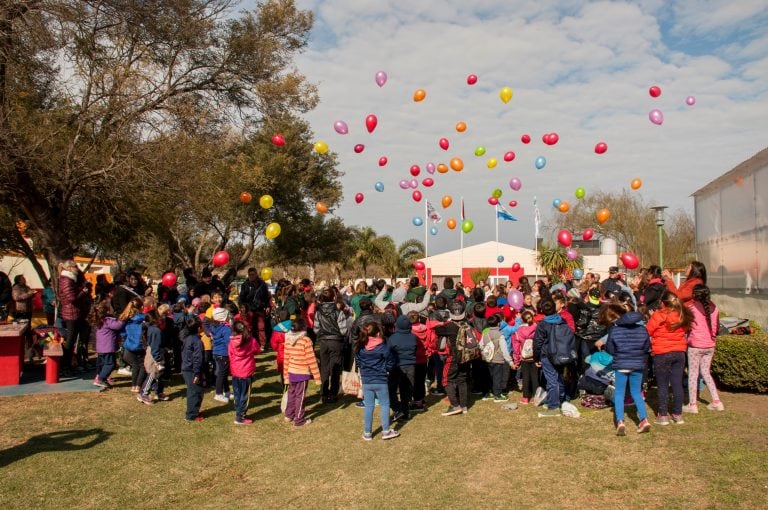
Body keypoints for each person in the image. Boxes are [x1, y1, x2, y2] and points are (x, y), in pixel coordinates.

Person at [601, 304, 652, 435]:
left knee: (619, 394)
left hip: (621, 364)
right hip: (637, 364)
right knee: (636, 393)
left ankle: (620, 421)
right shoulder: (642, 330)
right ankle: (644, 419)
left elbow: (610, 349)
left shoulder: (615, 330)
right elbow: (647, 347)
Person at [646, 291, 693, 425]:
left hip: (662, 352)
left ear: (663, 303)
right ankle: (677, 414)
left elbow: (648, 331)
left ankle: (663, 415)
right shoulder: (682, 315)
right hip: (679, 352)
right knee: (677, 383)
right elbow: (685, 330)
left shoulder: (659, 315)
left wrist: (651, 317)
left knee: (662, 384)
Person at [683, 285, 724, 413]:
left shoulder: (691, 308)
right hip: (710, 344)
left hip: (695, 345)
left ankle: (692, 404)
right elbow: (716, 328)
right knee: (706, 372)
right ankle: (717, 401)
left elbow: (686, 326)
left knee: (693, 374)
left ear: (695, 295)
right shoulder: (715, 308)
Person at [355, 322, 399, 440]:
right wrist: (387, 370)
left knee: (369, 406)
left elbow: (358, 363)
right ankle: (385, 431)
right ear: (378, 333)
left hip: (367, 381)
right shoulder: (383, 347)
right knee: (385, 405)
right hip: (381, 380)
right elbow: (391, 362)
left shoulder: (360, 348)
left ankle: (367, 433)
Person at [533, 299, 572, 417]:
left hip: (547, 354)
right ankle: (561, 399)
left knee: (551, 380)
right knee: (559, 378)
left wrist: (536, 357)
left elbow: (537, 342)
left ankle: (554, 406)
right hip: (561, 353)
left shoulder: (543, 324)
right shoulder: (562, 320)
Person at [437, 301, 475, 416]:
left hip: (452, 358)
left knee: (446, 379)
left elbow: (437, 331)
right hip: (466, 357)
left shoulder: (448, 326)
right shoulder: (467, 324)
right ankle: (464, 405)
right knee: (462, 379)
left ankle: (454, 405)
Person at [283, 318, 320, 427]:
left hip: (291, 372)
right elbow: (311, 359)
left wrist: (286, 376)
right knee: (300, 396)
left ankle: (289, 415)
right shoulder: (306, 341)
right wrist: (317, 377)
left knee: (292, 394)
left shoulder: (288, 340)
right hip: (302, 374)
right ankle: (299, 420)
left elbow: (286, 359)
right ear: (304, 328)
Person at [314, 288, 349, 403]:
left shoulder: (318, 312)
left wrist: (322, 334)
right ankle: (333, 394)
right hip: (336, 342)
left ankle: (324, 394)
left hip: (324, 342)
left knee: (324, 368)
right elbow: (343, 330)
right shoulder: (339, 312)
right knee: (335, 367)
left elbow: (316, 329)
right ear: (333, 298)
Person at [57, 260, 91, 374]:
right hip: (71, 313)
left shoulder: (71, 279)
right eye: (75, 266)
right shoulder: (67, 280)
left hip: (75, 312)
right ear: (70, 268)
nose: (77, 268)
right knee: (70, 340)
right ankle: (65, 366)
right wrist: (83, 292)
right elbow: (72, 298)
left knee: (74, 340)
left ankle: (73, 363)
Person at [387, 314, 418, 421]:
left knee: (391, 389)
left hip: (397, 367)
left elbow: (388, 352)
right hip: (410, 366)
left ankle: (397, 408)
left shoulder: (392, 338)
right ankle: (405, 411)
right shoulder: (413, 337)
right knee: (406, 390)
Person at [228, 320, 258, 425]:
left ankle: (238, 410)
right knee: (245, 395)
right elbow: (257, 350)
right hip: (246, 372)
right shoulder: (251, 340)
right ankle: (240, 417)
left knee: (237, 393)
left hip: (236, 371)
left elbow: (230, 354)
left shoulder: (232, 341)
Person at [90, 300, 124, 388]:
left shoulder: (98, 321)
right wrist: (123, 320)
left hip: (101, 347)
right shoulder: (107, 321)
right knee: (110, 364)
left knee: (104, 363)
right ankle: (101, 378)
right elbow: (118, 326)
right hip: (107, 347)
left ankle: (102, 378)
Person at [480, 314, 514, 402]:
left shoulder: (485, 333)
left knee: (489, 376)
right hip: (498, 360)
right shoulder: (500, 335)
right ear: (498, 324)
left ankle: (490, 392)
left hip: (487, 359)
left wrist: (486, 352)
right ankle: (498, 395)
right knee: (497, 377)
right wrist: (510, 361)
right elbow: (504, 350)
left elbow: (480, 345)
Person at [137, 310, 167, 405]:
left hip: (154, 352)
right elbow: (155, 346)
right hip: (154, 355)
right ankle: (143, 393)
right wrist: (158, 359)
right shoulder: (155, 330)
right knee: (152, 374)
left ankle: (159, 392)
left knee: (159, 374)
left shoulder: (151, 328)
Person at [238, 267, 271, 350]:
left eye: (253, 274)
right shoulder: (245, 285)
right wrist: (242, 307)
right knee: (249, 327)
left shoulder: (262, 284)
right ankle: (249, 343)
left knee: (261, 327)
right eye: (250, 275)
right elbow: (241, 297)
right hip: (249, 309)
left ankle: (263, 344)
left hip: (260, 308)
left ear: (256, 274)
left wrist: (267, 305)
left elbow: (266, 296)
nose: (251, 276)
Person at [119, 297, 147, 392]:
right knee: (143, 366)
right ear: (141, 307)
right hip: (140, 345)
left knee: (135, 365)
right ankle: (138, 385)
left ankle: (133, 385)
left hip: (130, 345)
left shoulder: (127, 319)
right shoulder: (143, 319)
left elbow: (123, 333)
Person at [181, 316, 205, 422]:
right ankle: (191, 414)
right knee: (195, 391)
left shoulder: (187, 338)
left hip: (186, 368)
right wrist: (197, 373)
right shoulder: (197, 341)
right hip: (191, 369)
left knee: (193, 390)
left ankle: (193, 411)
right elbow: (197, 358)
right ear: (199, 328)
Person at [206, 307, 232, 402]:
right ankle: (218, 393)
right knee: (222, 373)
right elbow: (228, 342)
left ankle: (227, 391)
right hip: (223, 354)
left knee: (223, 373)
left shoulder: (214, 326)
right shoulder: (226, 329)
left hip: (216, 352)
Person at [512, 310, 539, 404]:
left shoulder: (518, 331)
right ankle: (535, 396)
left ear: (522, 320)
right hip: (535, 356)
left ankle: (525, 397)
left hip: (524, 357)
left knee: (525, 377)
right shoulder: (537, 328)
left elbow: (516, 347)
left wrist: (516, 360)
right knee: (535, 377)